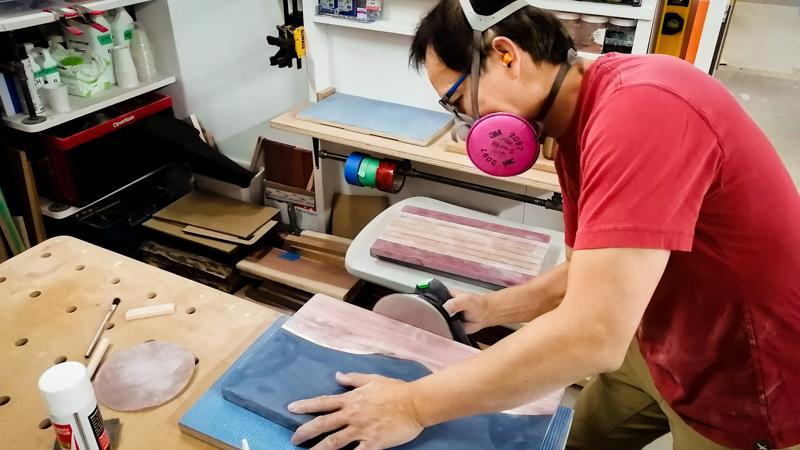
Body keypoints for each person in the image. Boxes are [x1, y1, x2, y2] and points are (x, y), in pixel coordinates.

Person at [286, 0, 800, 449]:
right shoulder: (579, 120)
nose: (468, 125)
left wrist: (413, 406)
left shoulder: (642, 113)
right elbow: (590, 270)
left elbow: (591, 335)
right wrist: (492, 308)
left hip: (747, 380)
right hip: (656, 346)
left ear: (506, 55)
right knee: (564, 443)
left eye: (459, 101)